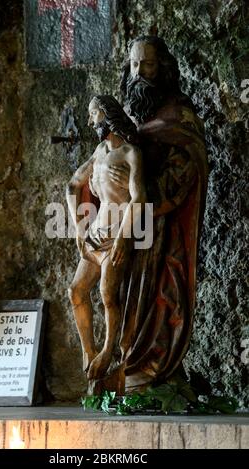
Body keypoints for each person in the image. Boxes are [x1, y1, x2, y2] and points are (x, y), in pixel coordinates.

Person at [106, 35, 209, 392]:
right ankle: (127, 365)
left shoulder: (180, 117)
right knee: (120, 294)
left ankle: (152, 369)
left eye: (147, 64)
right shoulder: (127, 116)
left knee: (162, 298)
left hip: (164, 233)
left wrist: (145, 191)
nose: (139, 73)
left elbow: (187, 167)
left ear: (163, 68)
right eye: (134, 65)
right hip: (130, 228)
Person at [66, 96, 147, 386]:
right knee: (76, 291)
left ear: (106, 115)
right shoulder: (99, 152)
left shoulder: (130, 153)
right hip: (94, 237)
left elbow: (139, 198)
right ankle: (90, 354)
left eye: (93, 114)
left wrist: (125, 240)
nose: (90, 121)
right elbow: (73, 185)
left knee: (107, 295)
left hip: (116, 238)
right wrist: (79, 227)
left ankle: (109, 351)